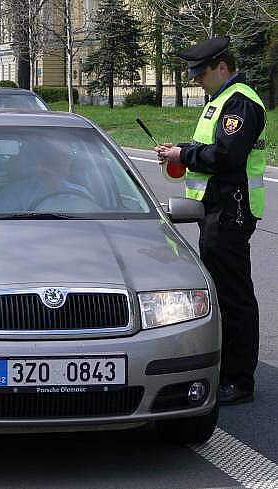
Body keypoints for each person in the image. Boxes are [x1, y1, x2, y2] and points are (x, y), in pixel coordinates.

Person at [154, 36, 266, 405]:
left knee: (234, 298)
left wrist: (183, 153)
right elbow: (212, 148)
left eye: (200, 73)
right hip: (217, 209)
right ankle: (227, 371)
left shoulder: (241, 102)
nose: (195, 80)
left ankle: (239, 380)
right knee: (222, 291)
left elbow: (226, 156)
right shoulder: (220, 100)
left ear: (222, 66)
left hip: (232, 210)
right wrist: (181, 152)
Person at [0, 140, 94, 212]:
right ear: (44, 165)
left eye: (66, 163)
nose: (63, 168)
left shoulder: (80, 192)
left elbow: (95, 221)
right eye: (56, 163)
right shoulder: (16, 193)